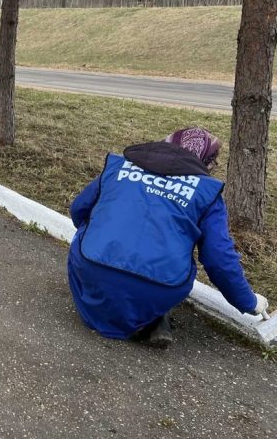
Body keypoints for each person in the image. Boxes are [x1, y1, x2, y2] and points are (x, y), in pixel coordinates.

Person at [67, 127, 268, 348]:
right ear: (207, 162)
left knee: (87, 228)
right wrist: (250, 302)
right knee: (181, 254)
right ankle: (152, 317)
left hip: (91, 268)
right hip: (158, 287)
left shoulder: (118, 167)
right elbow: (219, 259)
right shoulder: (207, 193)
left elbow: (78, 210)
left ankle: (111, 306)